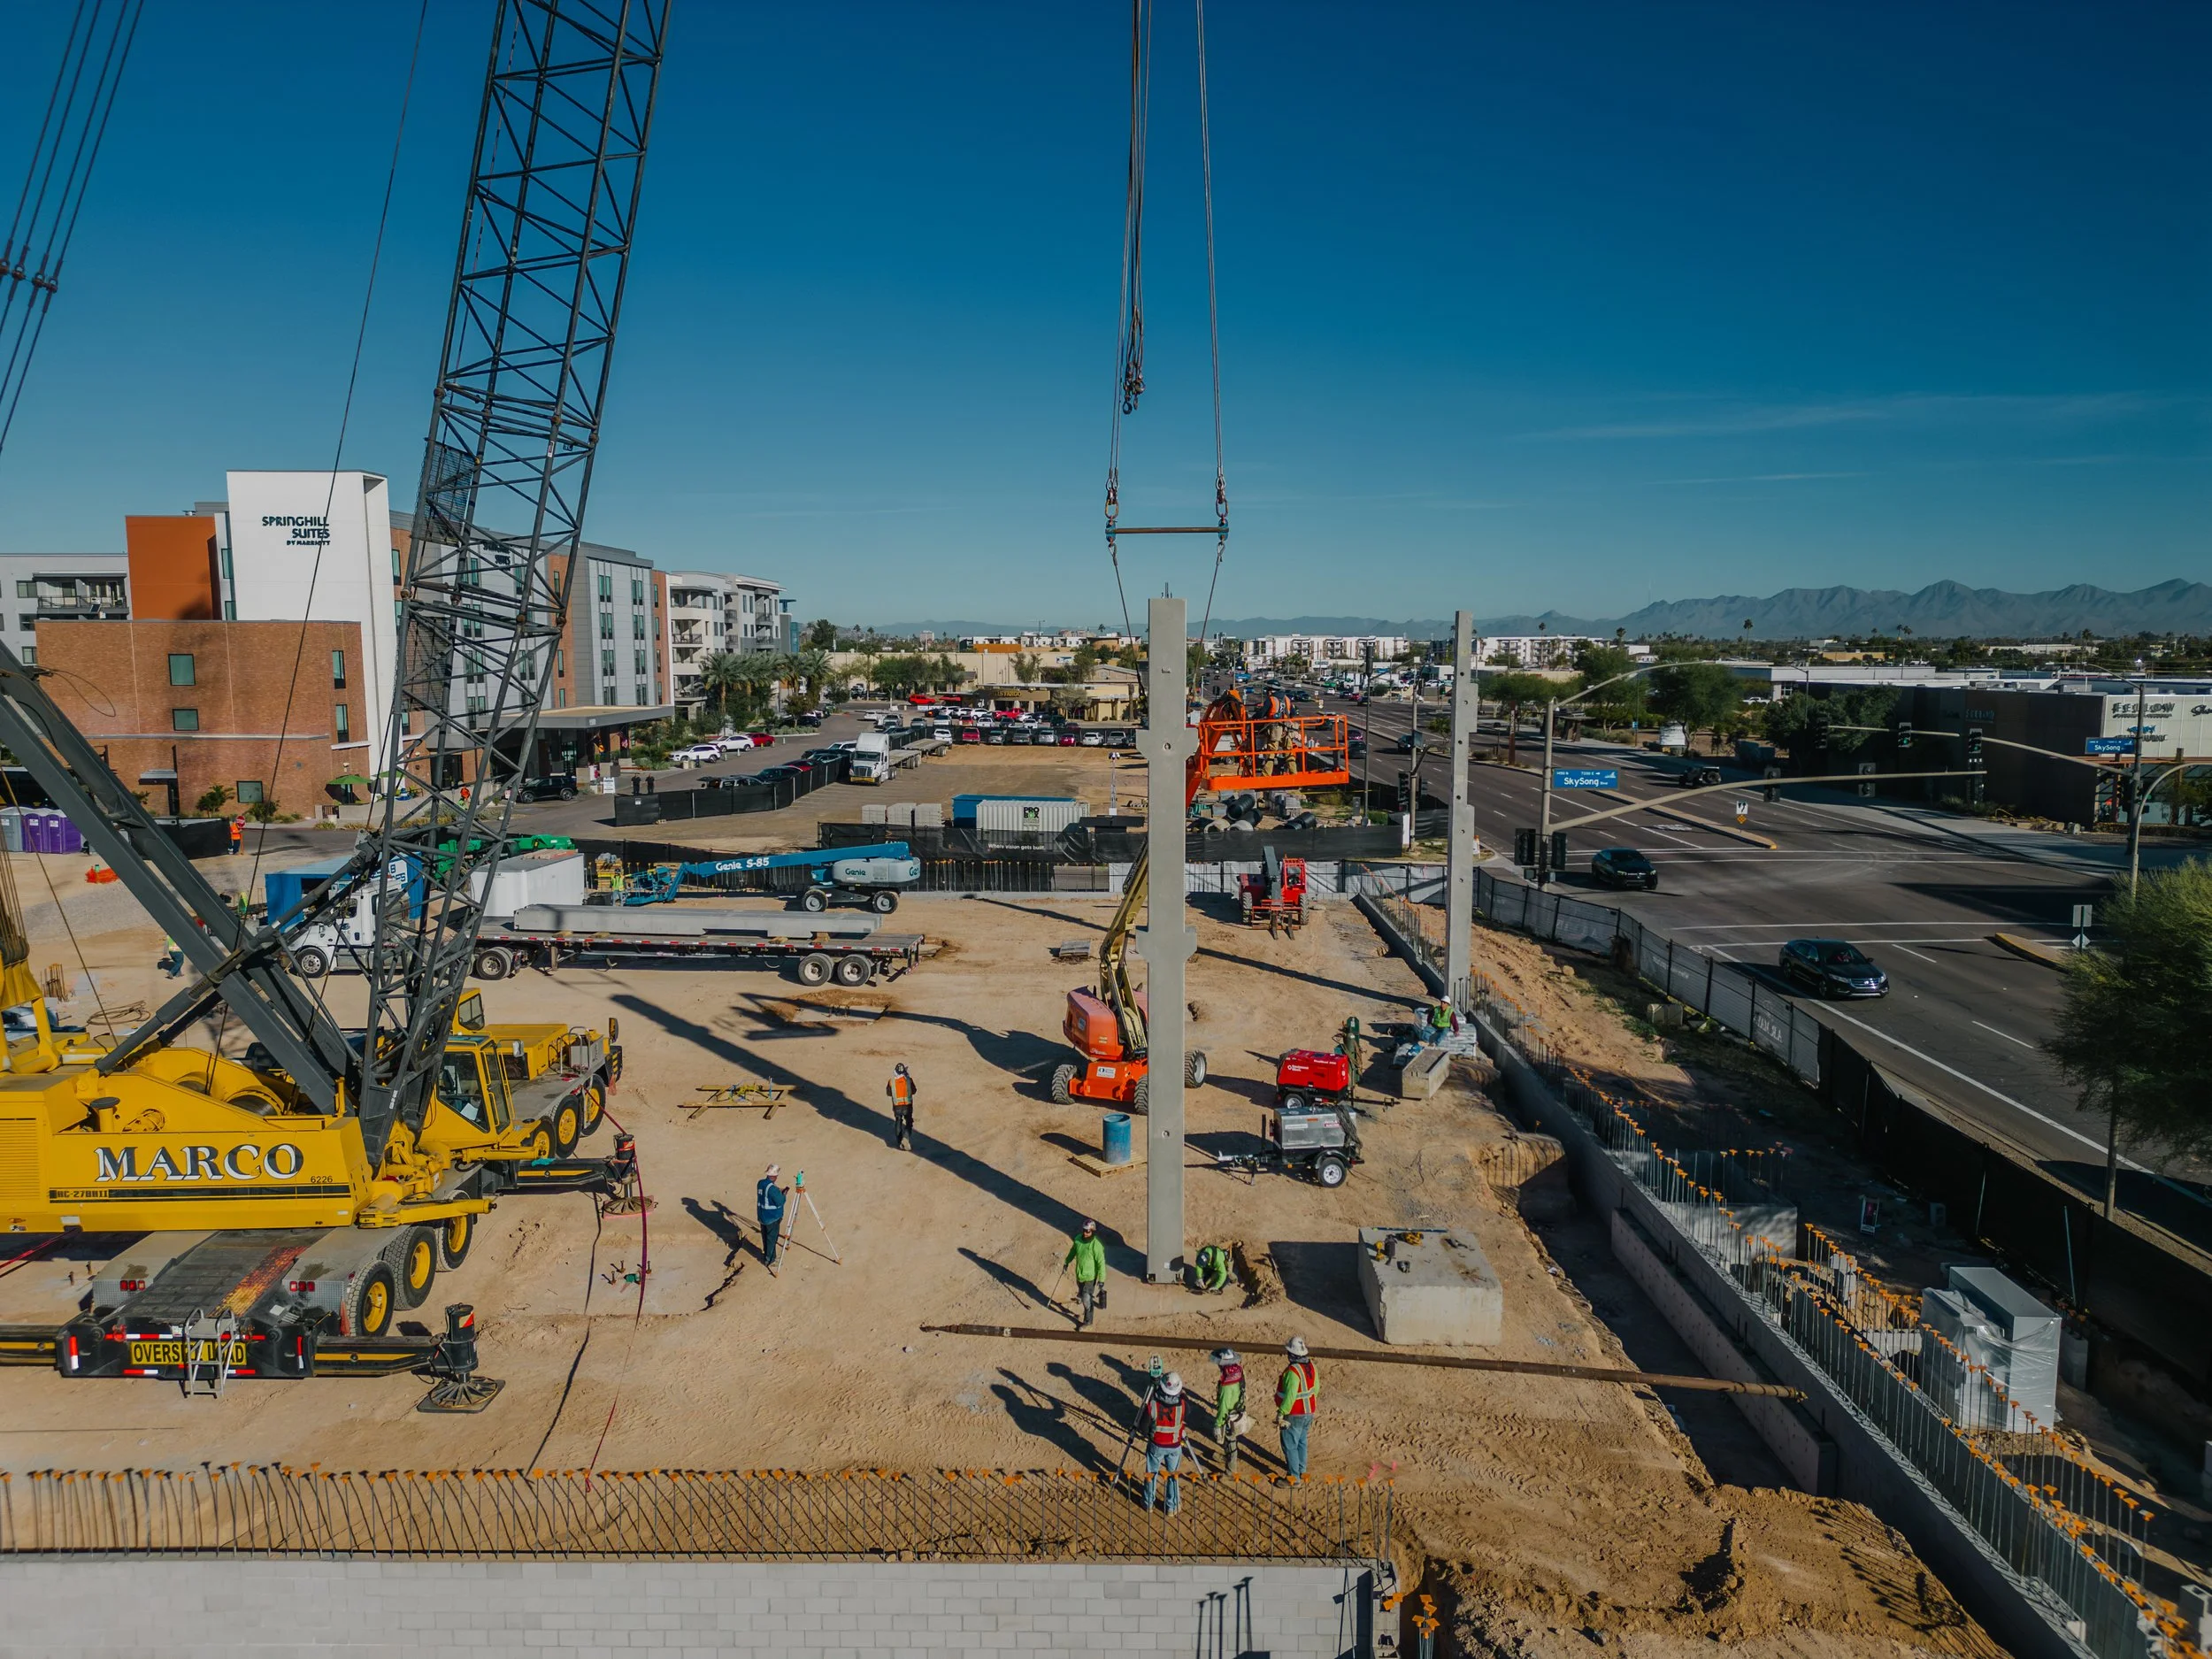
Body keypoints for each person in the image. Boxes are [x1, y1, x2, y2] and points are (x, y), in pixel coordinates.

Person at [1141, 1371, 1187, 1514]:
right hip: (1174, 1445)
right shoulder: (1183, 1405)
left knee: (1151, 1474)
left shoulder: (1152, 1405)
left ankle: (1148, 1503)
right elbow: (1187, 1411)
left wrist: (1150, 1434)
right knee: (1173, 1476)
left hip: (1156, 1445)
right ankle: (1172, 1507)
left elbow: (1143, 1427)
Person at [1277, 1335, 1318, 1479]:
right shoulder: (1311, 1367)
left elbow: (1290, 1396)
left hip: (1294, 1414)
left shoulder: (1292, 1372)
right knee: (1301, 1441)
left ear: (1291, 1354)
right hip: (1309, 1412)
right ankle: (1301, 1468)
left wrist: (1282, 1413)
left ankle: (1293, 1478)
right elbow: (1316, 1389)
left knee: (1289, 1444)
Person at [1064, 1218, 1107, 1326]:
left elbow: (1101, 1263)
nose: (1085, 1233)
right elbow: (1073, 1251)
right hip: (1080, 1275)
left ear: (1093, 1231)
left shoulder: (1096, 1245)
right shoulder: (1078, 1239)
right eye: (1084, 1230)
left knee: (1087, 1300)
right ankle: (1082, 1296)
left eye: (1088, 1231)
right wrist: (1066, 1262)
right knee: (1082, 1293)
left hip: (1090, 1277)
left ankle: (1088, 1322)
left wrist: (1101, 1280)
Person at [1210, 1348, 1246, 1474]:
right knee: (1230, 1440)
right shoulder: (1239, 1371)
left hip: (1229, 1416)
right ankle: (1228, 1458)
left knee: (1230, 1441)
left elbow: (1224, 1406)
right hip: (1238, 1410)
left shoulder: (1227, 1384)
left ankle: (1231, 1471)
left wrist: (1218, 1424)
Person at [756, 1164, 789, 1271]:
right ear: (774, 1176)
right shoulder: (773, 1189)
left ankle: (769, 1256)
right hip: (772, 1217)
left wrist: (778, 1190)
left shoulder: (761, 1183)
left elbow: (768, 1191)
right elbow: (780, 1202)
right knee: (771, 1239)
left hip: (762, 1216)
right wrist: (783, 1195)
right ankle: (770, 1260)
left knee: (766, 1237)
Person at [887, 1063, 916, 1151]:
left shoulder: (891, 1082)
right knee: (909, 1122)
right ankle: (905, 1138)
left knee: (898, 1121)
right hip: (908, 1106)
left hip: (897, 1107)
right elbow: (914, 1091)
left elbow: (888, 1093)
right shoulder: (909, 1080)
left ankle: (900, 1142)